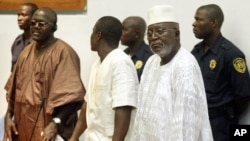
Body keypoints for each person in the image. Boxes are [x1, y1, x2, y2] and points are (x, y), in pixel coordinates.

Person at [127, 5, 213, 141]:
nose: (154, 37)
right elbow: (141, 115)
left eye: (160, 32)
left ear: (177, 34)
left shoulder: (185, 65)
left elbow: (186, 126)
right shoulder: (151, 62)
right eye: (149, 33)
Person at [3, 7, 86, 141]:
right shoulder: (25, 53)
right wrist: (8, 116)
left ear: (54, 27)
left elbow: (72, 97)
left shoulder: (64, 53)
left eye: (42, 24)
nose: (36, 27)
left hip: (48, 128)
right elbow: (13, 91)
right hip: (22, 126)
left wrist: (55, 123)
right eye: (33, 23)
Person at [68, 16, 139, 141]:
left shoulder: (120, 62)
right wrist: (74, 137)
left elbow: (124, 108)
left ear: (98, 35)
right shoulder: (97, 64)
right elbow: (87, 104)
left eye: (92, 32)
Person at [191, 4, 250, 141]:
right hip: (198, 121)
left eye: (199, 20)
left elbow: (244, 96)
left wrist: (226, 113)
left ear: (213, 23)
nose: (194, 24)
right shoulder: (196, 51)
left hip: (221, 125)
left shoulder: (231, 54)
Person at [121, 16, 153, 81]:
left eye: (124, 30)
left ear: (137, 34)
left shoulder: (150, 57)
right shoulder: (123, 54)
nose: (120, 33)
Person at [11, 2, 38, 72]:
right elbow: (13, 71)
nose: (19, 18)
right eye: (18, 15)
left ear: (34, 17)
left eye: (23, 15)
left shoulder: (39, 43)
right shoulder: (17, 42)